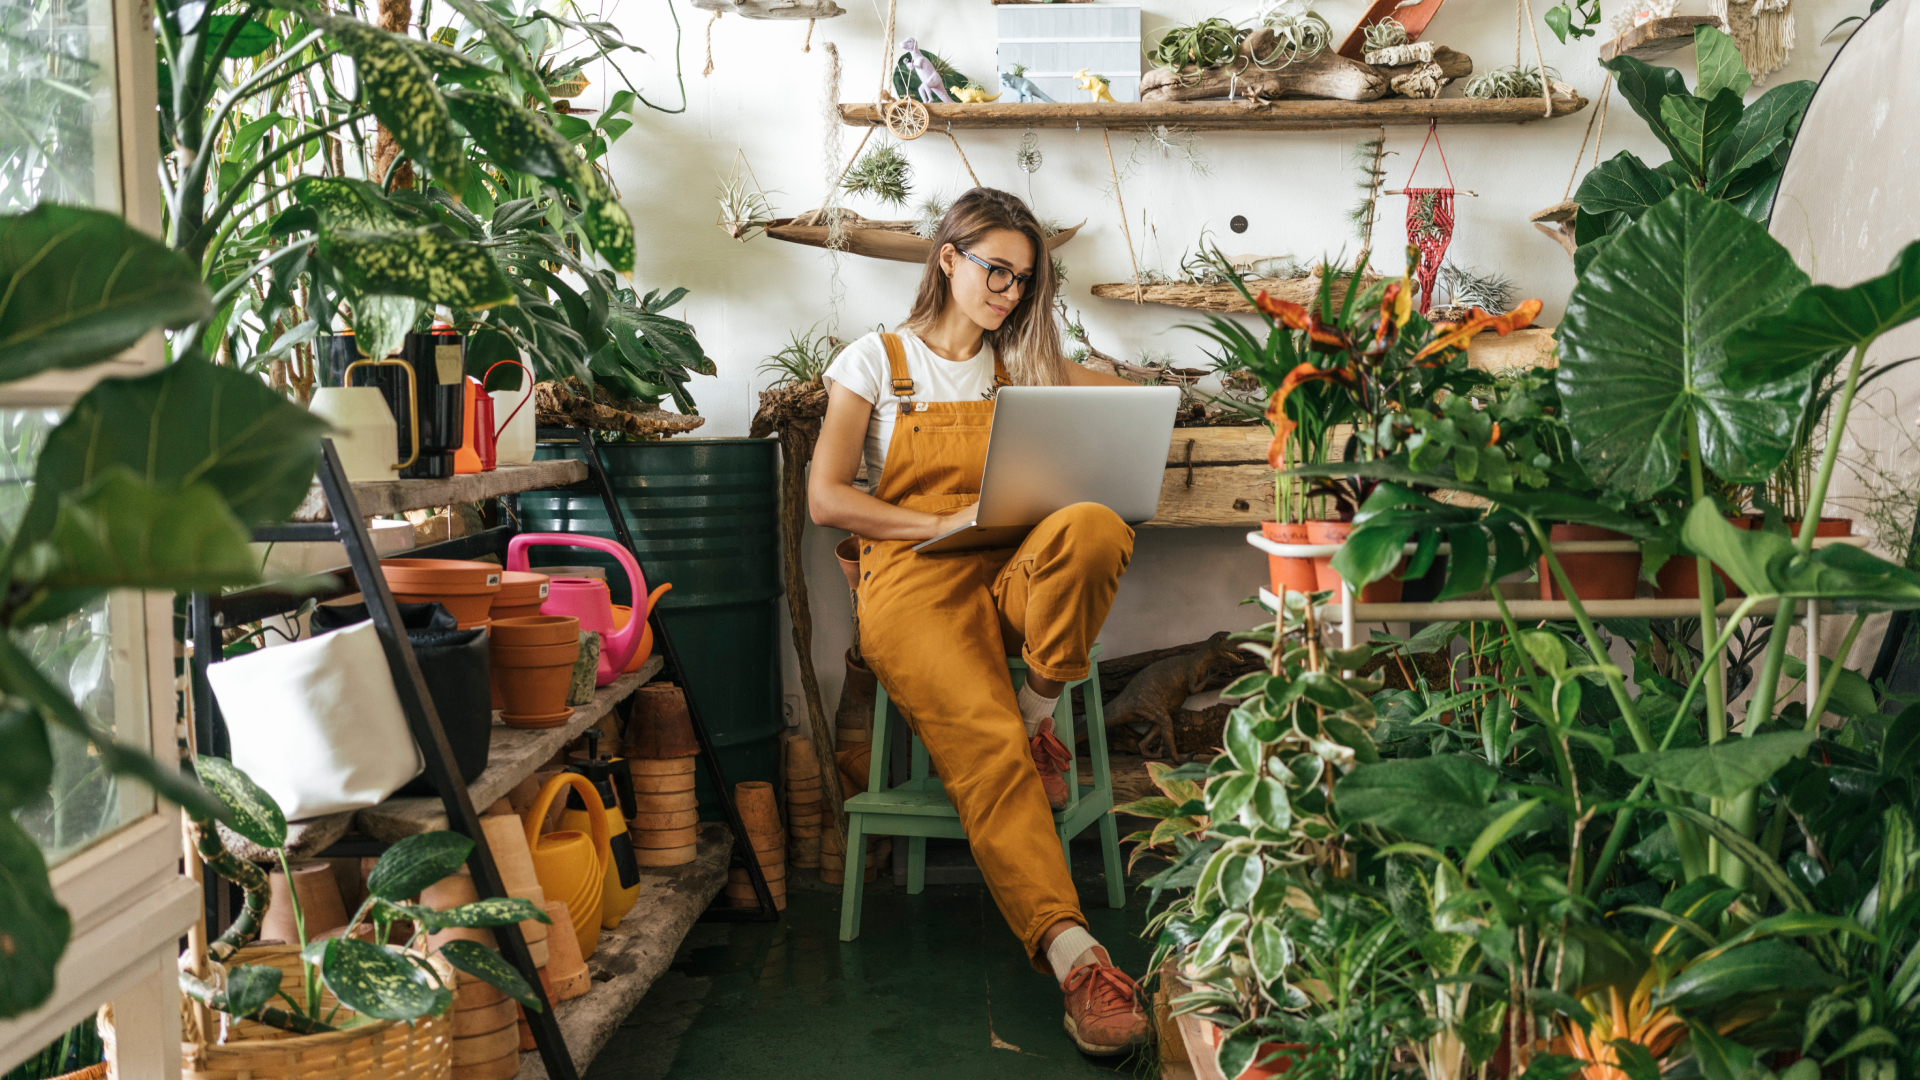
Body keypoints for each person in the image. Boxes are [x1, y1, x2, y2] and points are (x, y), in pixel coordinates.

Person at [809, 187, 1152, 1056]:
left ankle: (1041, 709)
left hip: (1006, 573)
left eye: (1024, 280)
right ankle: (1076, 956)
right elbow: (825, 499)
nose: (1008, 290)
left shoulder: (1019, 368)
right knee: (989, 749)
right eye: (996, 269)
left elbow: (1119, 400)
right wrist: (934, 525)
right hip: (912, 583)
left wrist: (1145, 391)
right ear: (948, 257)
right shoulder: (873, 362)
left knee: (1095, 526)